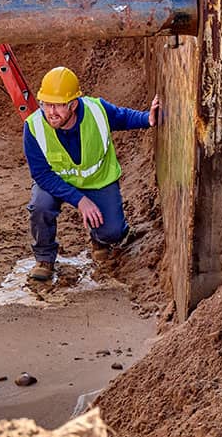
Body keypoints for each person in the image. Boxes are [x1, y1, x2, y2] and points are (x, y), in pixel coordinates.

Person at [23, 66, 159, 281]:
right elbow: (41, 174)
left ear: (73, 104)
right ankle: (45, 258)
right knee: (40, 205)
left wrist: (147, 119)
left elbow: (123, 118)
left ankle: (100, 239)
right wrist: (80, 200)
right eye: (46, 104)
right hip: (55, 182)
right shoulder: (34, 126)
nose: (51, 112)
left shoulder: (97, 111)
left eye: (58, 105)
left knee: (113, 232)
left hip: (97, 181)